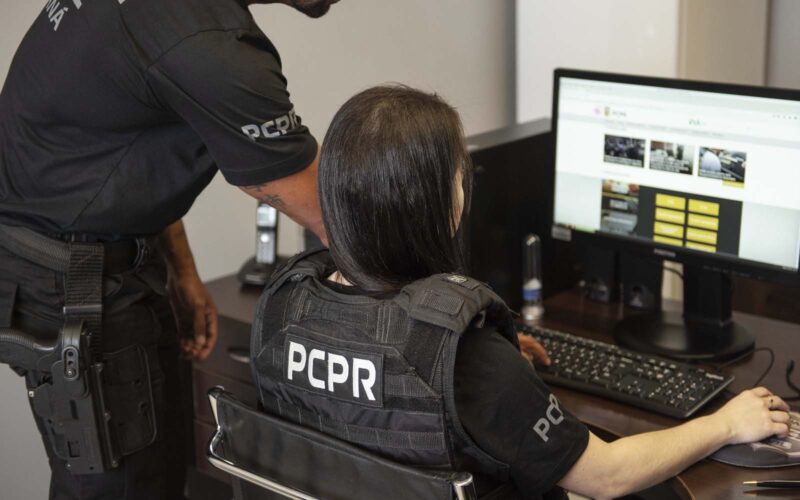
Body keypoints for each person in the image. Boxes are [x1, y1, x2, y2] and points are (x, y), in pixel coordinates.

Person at [251, 85, 792, 499]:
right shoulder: (464, 358)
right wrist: (725, 423)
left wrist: (501, 373)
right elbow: (606, 476)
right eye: (460, 176)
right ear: (439, 204)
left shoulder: (284, 306)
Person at [0, 0, 338, 498]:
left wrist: (182, 271)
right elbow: (329, 214)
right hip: (73, 283)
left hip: (91, 256)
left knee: (157, 472)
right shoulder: (207, 42)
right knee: (123, 488)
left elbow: (120, 140)